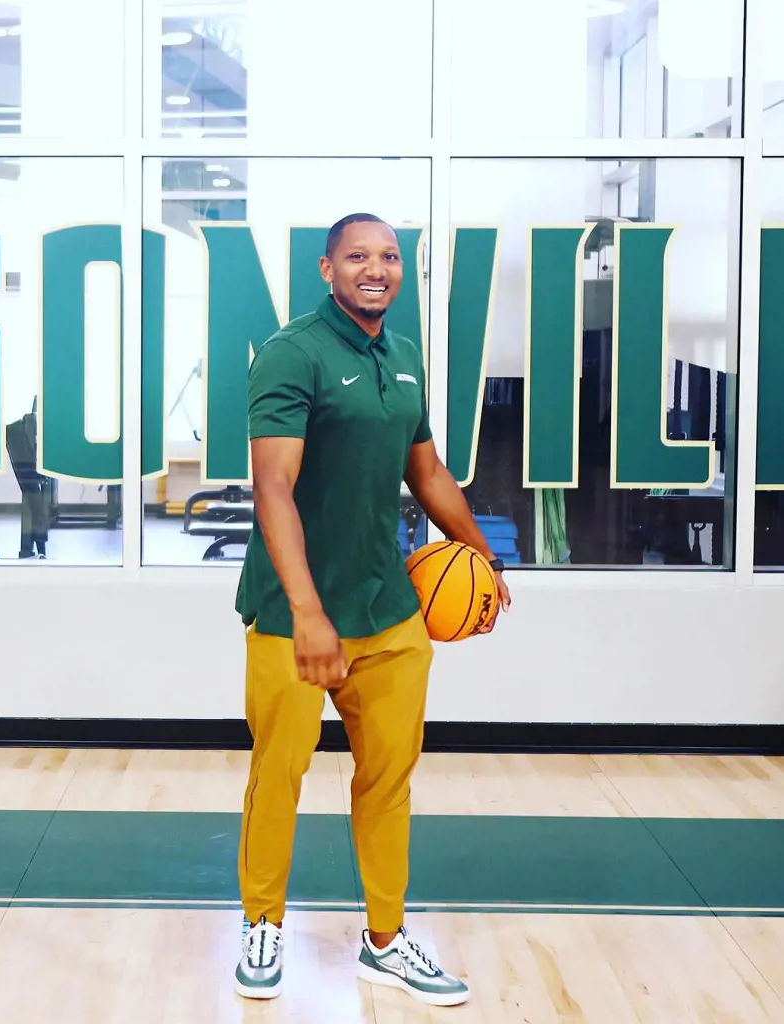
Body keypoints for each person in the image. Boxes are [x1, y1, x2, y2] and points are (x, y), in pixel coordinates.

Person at [233, 212, 511, 1007]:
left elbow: (427, 475)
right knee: (276, 775)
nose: (376, 268)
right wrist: (308, 612)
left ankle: (385, 941)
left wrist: (479, 552)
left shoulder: (404, 358)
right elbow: (272, 488)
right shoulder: (293, 353)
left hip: (387, 607)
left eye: (389, 256)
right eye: (358, 256)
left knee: (387, 780)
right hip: (296, 613)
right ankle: (262, 922)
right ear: (327, 269)